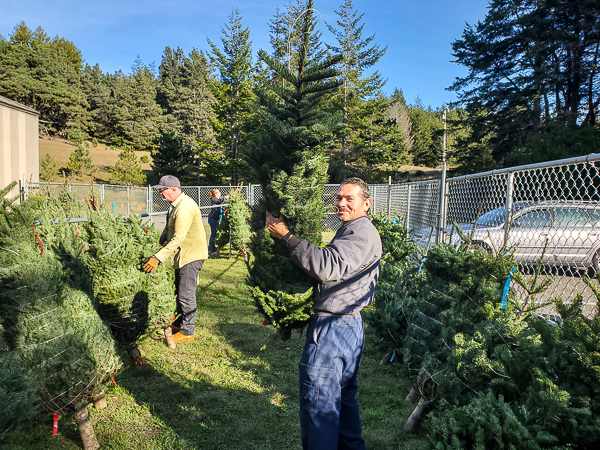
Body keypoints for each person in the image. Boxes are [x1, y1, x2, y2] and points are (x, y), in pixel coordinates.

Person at [266, 177, 382, 450]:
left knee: (319, 408)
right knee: (343, 409)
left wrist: (287, 237)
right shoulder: (354, 229)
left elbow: (326, 266)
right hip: (347, 325)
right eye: (338, 198)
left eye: (349, 198)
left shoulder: (361, 232)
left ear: (366, 204)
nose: (341, 203)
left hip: (333, 330)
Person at [141, 175, 208, 343]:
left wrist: (158, 258)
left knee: (186, 294)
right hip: (182, 254)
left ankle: (187, 331)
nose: (160, 194)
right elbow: (168, 228)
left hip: (191, 255)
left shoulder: (184, 208)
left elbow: (178, 238)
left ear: (174, 189)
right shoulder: (174, 205)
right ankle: (178, 324)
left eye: (162, 190)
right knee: (180, 292)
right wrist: (157, 242)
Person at [207, 189, 229, 255]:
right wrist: (225, 197)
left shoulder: (217, 199)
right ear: (216, 194)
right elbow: (220, 200)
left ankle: (211, 248)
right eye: (219, 192)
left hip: (215, 219)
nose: (220, 193)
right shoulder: (213, 199)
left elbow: (221, 200)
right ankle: (212, 250)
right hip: (212, 219)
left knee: (214, 234)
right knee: (213, 234)